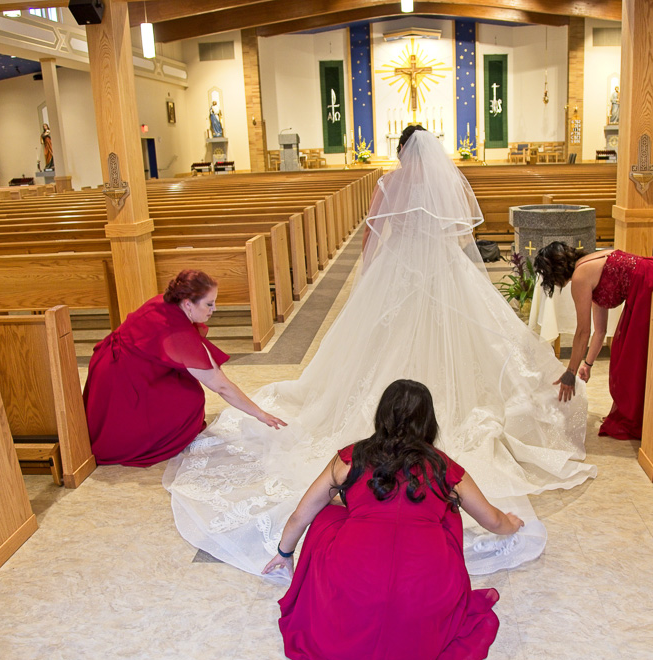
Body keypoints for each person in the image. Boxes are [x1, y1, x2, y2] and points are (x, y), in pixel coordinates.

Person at [164, 127, 595, 578]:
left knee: (381, 348)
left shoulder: (389, 183)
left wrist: (368, 281)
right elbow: (456, 237)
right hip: (443, 272)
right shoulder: (444, 183)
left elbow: (373, 232)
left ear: (400, 152)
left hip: (399, 272)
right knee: (462, 342)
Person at [262, 380, 520, 660]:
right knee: (449, 512)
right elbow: (493, 521)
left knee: (324, 510)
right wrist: (511, 523)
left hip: (354, 583)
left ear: (382, 415)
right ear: (428, 421)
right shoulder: (444, 467)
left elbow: (301, 515)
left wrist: (285, 553)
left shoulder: (350, 458)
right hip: (423, 591)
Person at [84, 269, 286, 466]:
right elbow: (221, 386)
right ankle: (148, 436)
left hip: (109, 366)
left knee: (184, 380)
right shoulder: (177, 335)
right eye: (209, 304)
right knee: (190, 399)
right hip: (122, 381)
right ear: (188, 303)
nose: (214, 309)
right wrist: (261, 414)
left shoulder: (165, 301)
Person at [534, 242, 653, 440]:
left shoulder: (580, 277)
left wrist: (570, 373)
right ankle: (652, 413)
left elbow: (582, 331)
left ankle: (639, 417)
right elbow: (600, 330)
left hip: (652, 285)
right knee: (631, 354)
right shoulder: (589, 264)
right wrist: (587, 364)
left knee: (629, 360)